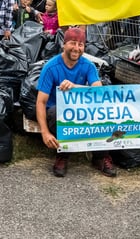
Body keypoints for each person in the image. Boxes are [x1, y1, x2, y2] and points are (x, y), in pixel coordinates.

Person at [35, 27, 117, 178]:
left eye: (80, 45)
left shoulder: (88, 65)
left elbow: (98, 91)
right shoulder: (51, 67)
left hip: (81, 109)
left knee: (105, 109)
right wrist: (44, 133)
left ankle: (100, 157)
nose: (76, 48)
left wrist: (76, 87)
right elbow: (41, 102)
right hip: (57, 111)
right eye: (73, 43)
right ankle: (63, 154)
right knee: (54, 112)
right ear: (64, 44)